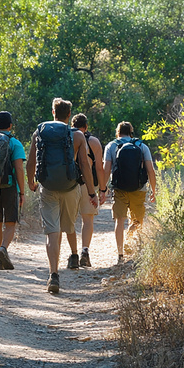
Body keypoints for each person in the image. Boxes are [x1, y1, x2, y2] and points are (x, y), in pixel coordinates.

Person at [26, 98, 98, 293]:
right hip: (70, 188)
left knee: (52, 232)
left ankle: (53, 274)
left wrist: (31, 182)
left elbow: (31, 162)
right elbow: (84, 166)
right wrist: (92, 192)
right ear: (69, 115)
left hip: (47, 187)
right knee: (68, 227)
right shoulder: (77, 136)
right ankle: (74, 254)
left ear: (53, 112)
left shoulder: (39, 132)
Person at [102, 121, 157, 264]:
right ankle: (134, 246)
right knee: (137, 220)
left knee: (120, 220)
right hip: (139, 189)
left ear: (118, 132)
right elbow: (150, 170)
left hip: (119, 189)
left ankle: (120, 254)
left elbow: (106, 169)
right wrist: (154, 190)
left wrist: (103, 188)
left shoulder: (111, 146)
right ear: (131, 132)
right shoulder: (141, 146)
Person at [0, 111, 27, 270]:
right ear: (11, 126)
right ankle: (3, 249)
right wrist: (22, 192)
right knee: (10, 223)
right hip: (10, 187)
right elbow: (19, 168)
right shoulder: (15, 143)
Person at [69, 113, 106, 268]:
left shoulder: (67, 138)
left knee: (69, 221)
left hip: (69, 184)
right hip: (87, 183)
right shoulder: (93, 142)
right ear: (86, 127)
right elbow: (99, 168)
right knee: (87, 219)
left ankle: (73, 254)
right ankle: (85, 251)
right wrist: (102, 189)